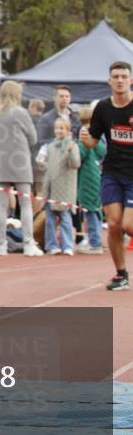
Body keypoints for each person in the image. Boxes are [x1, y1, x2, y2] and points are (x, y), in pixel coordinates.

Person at [82, 61, 133, 290]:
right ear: (109, 81)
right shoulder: (102, 108)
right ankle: (121, 274)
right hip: (112, 172)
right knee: (113, 225)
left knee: (129, 226)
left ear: (131, 80)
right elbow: (93, 140)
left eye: (124, 76)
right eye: (116, 76)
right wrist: (85, 137)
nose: (120, 80)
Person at [0, 80, 43, 257]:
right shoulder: (21, 112)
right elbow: (33, 138)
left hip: (0, 161)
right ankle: (28, 243)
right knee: (25, 203)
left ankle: (1, 244)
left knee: (1, 205)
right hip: (19, 161)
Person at [38, 117, 80, 255]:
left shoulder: (73, 145)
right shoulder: (49, 146)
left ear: (68, 130)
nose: (58, 130)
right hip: (50, 188)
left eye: (61, 128)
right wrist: (41, 162)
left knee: (65, 217)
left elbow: (75, 164)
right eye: (57, 128)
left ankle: (68, 245)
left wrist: (69, 152)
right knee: (49, 218)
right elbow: (46, 167)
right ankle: (52, 245)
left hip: (65, 188)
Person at [76, 105, 105, 254]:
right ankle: (94, 239)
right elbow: (102, 152)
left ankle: (95, 242)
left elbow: (78, 157)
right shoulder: (97, 135)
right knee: (95, 208)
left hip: (86, 178)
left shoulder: (84, 135)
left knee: (90, 210)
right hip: (96, 176)